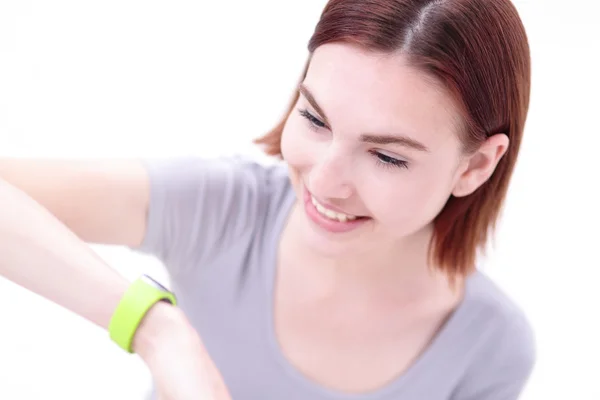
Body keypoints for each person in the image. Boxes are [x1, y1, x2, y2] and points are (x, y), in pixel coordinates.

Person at [0, 0, 536, 399]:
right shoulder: (223, 212)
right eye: (314, 118)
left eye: (387, 157)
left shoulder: (489, 348)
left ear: (475, 166)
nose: (325, 182)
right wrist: (155, 330)